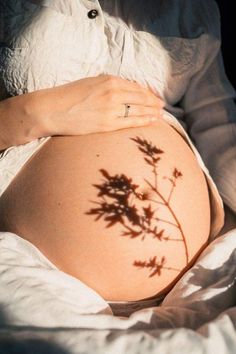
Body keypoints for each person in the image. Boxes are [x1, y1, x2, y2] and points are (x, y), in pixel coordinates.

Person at [0, 0, 235, 313]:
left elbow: (218, 124)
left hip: (199, 279)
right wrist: (30, 115)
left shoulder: (194, 8)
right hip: (29, 276)